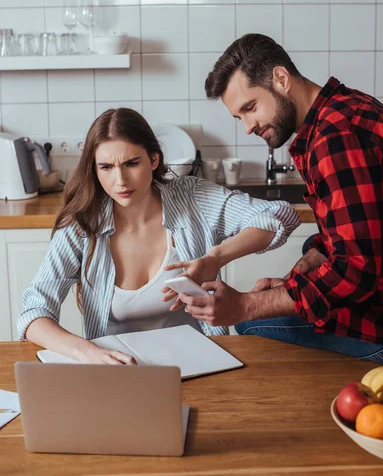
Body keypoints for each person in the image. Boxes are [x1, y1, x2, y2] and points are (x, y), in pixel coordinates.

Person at [175, 33, 383, 364]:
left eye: (250, 108)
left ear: (280, 79)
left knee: (251, 323)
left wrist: (246, 306)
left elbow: (355, 270)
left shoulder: (334, 139)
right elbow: (345, 237)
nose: (248, 127)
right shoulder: (344, 109)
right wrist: (295, 281)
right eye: (239, 117)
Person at [18, 107, 301, 364]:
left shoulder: (192, 197)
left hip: (204, 361)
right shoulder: (81, 225)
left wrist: (216, 257)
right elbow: (33, 313)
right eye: (106, 167)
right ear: (94, 169)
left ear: (154, 159)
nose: (120, 181)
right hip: (120, 374)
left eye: (131, 163)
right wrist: (88, 352)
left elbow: (281, 215)